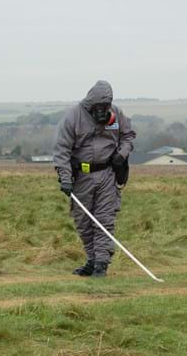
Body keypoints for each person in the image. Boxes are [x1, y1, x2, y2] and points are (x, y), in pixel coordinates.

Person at [53, 80, 136, 278]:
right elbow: (61, 150)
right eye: (99, 108)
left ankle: (101, 264)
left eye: (105, 107)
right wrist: (65, 178)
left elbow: (128, 135)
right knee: (83, 221)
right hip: (82, 176)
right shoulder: (73, 117)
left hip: (108, 174)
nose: (103, 112)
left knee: (104, 220)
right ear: (91, 104)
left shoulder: (116, 114)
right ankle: (92, 260)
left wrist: (121, 155)